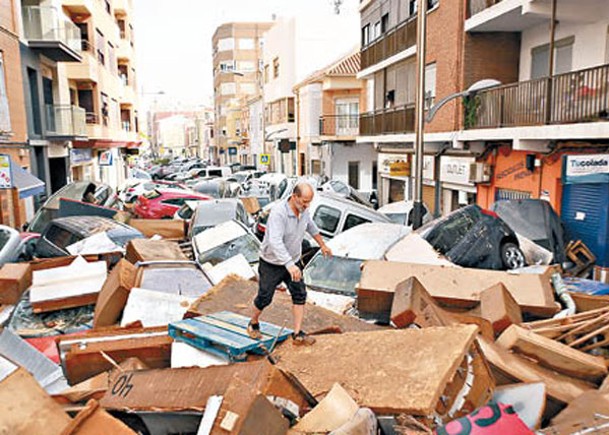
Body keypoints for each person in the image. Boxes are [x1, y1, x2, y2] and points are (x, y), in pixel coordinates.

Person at [248, 182, 332, 346]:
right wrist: (289, 264)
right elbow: (275, 241)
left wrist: (322, 244)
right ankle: (253, 322)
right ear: (294, 197)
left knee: (299, 294)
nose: (307, 206)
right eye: (304, 202)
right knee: (265, 297)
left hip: (292, 261)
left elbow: (311, 227)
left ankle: (297, 334)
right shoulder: (279, 214)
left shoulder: (304, 211)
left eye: (309, 202)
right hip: (271, 262)